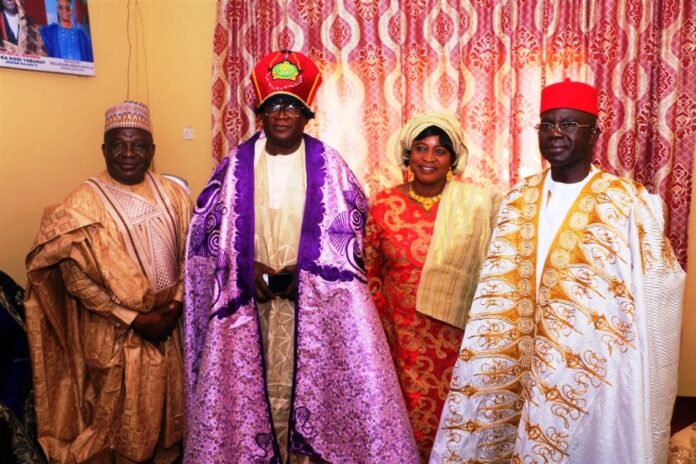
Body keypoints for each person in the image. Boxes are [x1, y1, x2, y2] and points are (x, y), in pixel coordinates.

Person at [430, 79, 685, 463]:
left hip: (592, 363)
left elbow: (658, 287)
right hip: (516, 354)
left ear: (594, 133)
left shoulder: (627, 201)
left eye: (568, 125)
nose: (555, 134)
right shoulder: (517, 197)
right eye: (547, 125)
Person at [184, 50, 419, 464]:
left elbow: (353, 237)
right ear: (260, 112)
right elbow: (206, 239)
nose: (281, 114)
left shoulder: (331, 166)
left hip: (309, 309)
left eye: (291, 106)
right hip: (248, 308)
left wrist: (307, 271)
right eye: (273, 105)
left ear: (307, 114)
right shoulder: (235, 165)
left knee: (306, 387)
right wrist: (243, 268)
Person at [24, 101, 191, 463]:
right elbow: (74, 279)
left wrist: (175, 305)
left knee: (169, 425)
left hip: (170, 329)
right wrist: (134, 319)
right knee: (122, 433)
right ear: (104, 149)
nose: (128, 153)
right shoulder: (81, 204)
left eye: (138, 145)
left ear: (152, 150)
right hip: (115, 334)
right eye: (118, 145)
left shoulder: (175, 194)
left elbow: (191, 257)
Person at [364, 113, 500, 463]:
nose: (428, 158)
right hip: (399, 339)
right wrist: (380, 334)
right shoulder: (383, 203)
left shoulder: (476, 205)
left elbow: (490, 271)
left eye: (440, 151)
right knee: (400, 424)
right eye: (421, 148)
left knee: (452, 422)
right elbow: (370, 273)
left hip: (455, 337)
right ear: (407, 155)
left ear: (453, 159)